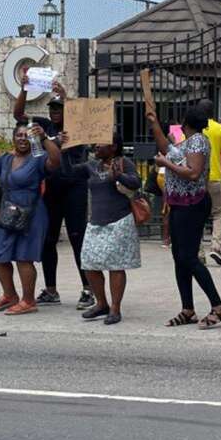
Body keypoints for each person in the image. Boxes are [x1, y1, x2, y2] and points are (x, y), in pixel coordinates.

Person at [147, 106, 221, 330]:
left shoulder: (198, 142)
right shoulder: (187, 142)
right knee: (179, 257)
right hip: (179, 205)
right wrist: (154, 123)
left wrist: (166, 165)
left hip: (191, 205)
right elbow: (166, 147)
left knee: (189, 257)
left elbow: (193, 173)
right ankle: (188, 309)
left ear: (185, 122)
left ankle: (218, 306)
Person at [13, 76, 92, 309]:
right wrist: (24, 89)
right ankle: (50, 289)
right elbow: (19, 115)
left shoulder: (78, 127)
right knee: (48, 238)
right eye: (53, 108)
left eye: (60, 108)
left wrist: (66, 96)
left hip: (75, 187)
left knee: (78, 237)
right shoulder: (44, 127)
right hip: (52, 188)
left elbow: (85, 119)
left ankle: (89, 289)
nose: (56, 112)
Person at [0, 123, 61, 315]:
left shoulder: (38, 158)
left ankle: (28, 300)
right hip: (9, 212)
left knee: (23, 257)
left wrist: (44, 139)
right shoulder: (6, 159)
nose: (22, 138)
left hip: (32, 213)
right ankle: (9, 295)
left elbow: (56, 160)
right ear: (13, 138)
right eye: (18, 135)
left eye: (26, 135)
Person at [63, 132, 141, 325]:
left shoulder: (124, 163)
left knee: (115, 266)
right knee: (89, 263)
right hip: (96, 222)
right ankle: (101, 304)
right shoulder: (91, 166)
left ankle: (115, 308)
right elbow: (68, 173)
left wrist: (119, 176)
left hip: (119, 221)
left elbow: (136, 183)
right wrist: (64, 150)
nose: (96, 146)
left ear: (113, 147)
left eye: (101, 143)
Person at [196, 99, 221, 267]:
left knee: (196, 215)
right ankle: (215, 246)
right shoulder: (220, 129)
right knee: (219, 213)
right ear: (213, 112)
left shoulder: (193, 128)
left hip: (196, 178)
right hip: (214, 177)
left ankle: (199, 253)